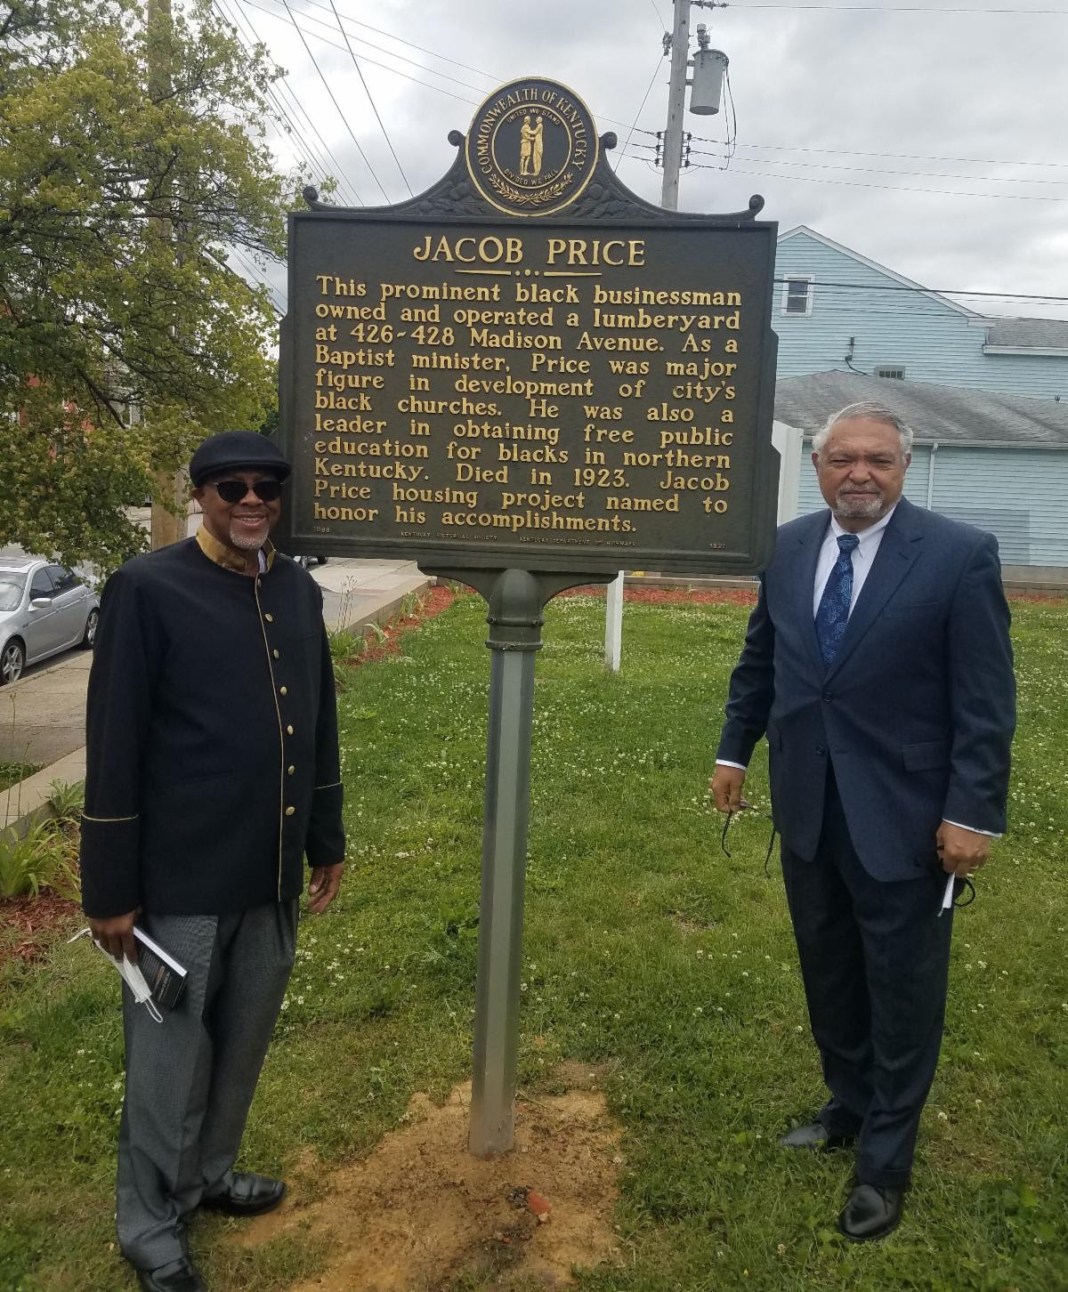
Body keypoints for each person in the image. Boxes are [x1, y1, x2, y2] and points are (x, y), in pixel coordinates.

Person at [710, 402, 1015, 1242]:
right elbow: (761, 660)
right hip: (809, 807)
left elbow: (986, 704)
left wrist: (971, 813)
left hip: (910, 818)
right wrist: (734, 751)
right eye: (842, 459)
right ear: (817, 467)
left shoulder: (958, 556)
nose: (859, 474)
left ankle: (884, 1164)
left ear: (903, 467)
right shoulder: (791, 548)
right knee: (831, 968)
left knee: (903, 988)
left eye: (877, 460)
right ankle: (849, 1100)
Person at [80, 430, 346, 1292]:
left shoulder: (299, 594)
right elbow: (114, 742)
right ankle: (150, 1222)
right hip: (179, 883)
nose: (251, 500)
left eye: (267, 485)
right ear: (200, 496)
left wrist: (326, 837)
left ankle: (208, 1175)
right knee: (170, 1061)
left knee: (241, 1045)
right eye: (231, 487)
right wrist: (109, 889)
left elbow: (319, 720)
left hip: (267, 874)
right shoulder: (146, 590)